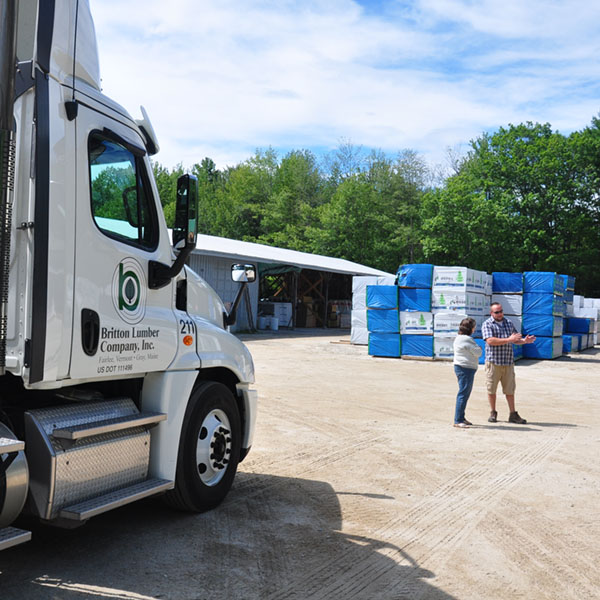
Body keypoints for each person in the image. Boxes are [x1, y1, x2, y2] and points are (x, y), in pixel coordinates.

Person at [482, 302, 536, 424]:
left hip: (508, 362)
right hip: (493, 362)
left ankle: (513, 414)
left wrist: (525, 341)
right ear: (491, 313)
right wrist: (509, 340)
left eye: (501, 311)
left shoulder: (509, 323)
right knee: (492, 389)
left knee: (510, 390)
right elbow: (490, 340)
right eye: (497, 312)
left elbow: (515, 340)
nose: (500, 314)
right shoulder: (487, 324)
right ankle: (493, 412)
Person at [452, 317, 482, 428]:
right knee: (463, 394)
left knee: (464, 393)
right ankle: (458, 419)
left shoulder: (458, 338)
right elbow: (478, 352)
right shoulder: (467, 339)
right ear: (471, 328)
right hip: (466, 368)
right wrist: (479, 348)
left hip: (461, 367)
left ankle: (461, 417)